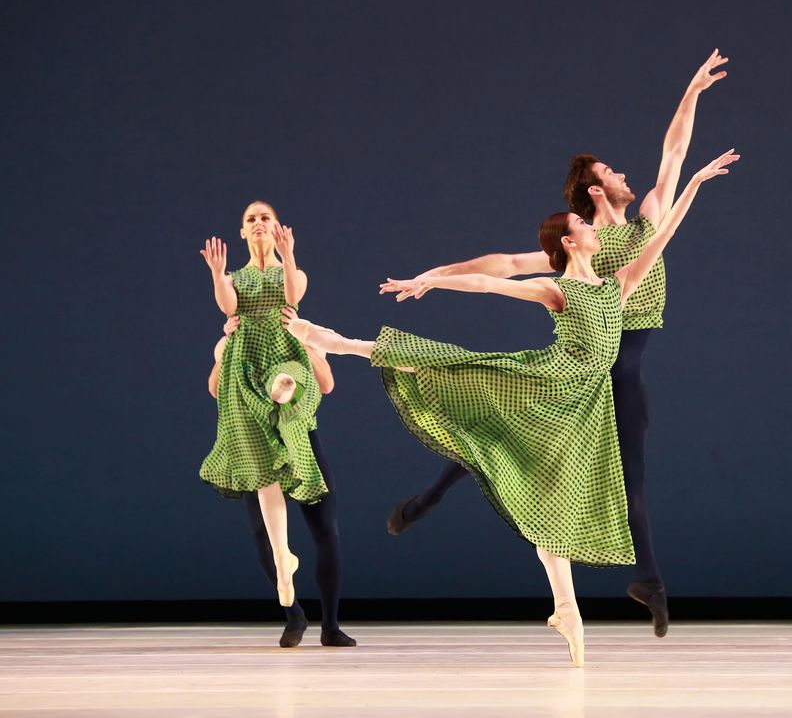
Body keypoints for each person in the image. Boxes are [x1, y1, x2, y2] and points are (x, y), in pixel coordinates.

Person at [284, 151, 738, 665]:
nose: (590, 230)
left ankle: (566, 610)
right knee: (451, 366)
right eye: (579, 226)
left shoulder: (617, 284)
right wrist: (430, 279)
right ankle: (343, 344)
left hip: (581, 405)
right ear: (571, 241)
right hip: (544, 382)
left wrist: (695, 182)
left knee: (549, 499)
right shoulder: (556, 288)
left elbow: (663, 236)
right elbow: (488, 281)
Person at [382, 49, 730, 638]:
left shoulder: (646, 221)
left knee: (620, 471)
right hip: (586, 364)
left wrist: (692, 91)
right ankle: (436, 495)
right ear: (595, 193)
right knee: (517, 433)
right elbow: (502, 265)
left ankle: (645, 578)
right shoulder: (582, 246)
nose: (624, 175)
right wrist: (433, 275)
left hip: (626, 362)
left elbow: (674, 154)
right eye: (611, 173)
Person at [200, 201, 355, 648]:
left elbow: (325, 382)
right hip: (256, 424)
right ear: (243, 232)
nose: (259, 224)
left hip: (296, 428)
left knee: (325, 527)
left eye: (265, 217)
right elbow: (217, 385)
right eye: (251, 219)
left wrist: (288, 258)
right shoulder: (236, 306)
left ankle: (331, 622)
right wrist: (225, 338)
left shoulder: (299, 324)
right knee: (263, 531)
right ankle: (293, 614)